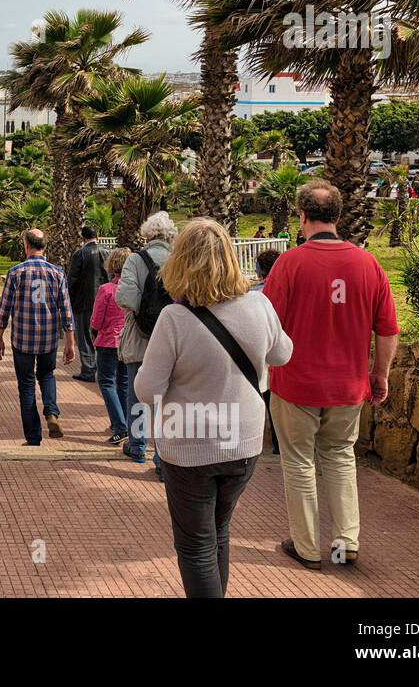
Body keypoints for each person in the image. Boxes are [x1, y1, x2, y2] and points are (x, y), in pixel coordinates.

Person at [134, 218, 294, 598]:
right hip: (243, 442)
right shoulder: (258, 304)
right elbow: (283, 354)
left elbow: (147, 389)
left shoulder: (174, 319)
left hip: (189, 444)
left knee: (195, 545)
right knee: (218, 532)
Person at [262, 180, 398, 571]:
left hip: (294, 384)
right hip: (348, 386)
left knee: (299, 463)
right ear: (337, 217)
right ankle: (345, 543)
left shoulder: (289, 264)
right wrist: (380, 374)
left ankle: (306, 548)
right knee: (340, 457)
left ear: (301, 217)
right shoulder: (368, 264)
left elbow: (267, 324)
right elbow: (387, 329)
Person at [0, 229, 76, 446]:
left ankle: (33, 437)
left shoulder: (15, 272)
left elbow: (4, 309)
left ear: (26, 246)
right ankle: (51, 412)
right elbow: (66, 310)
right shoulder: (57, 272)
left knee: (26, 384)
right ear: (44, 246)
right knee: (47, 375)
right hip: (48, 339)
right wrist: (70, 341)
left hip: (23, 339)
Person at [116, 211, 178, 471]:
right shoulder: (178, 260)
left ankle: (138, 445)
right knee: (169, 400)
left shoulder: (135, 260)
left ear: (147, 234)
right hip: (174, 339)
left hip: (141, 339)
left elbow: (126, 298)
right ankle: (163, 458)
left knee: (137, 395)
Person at [90, 247, 131, 445]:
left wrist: (94, 331)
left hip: (108, 341)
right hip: (127, 342)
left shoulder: (106, 289)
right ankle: (124, 422)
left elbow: (96, 320)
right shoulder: (133, 289)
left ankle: (120, 426)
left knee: (106, 382)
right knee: (123, 383)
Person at [251, 247, 283, 453]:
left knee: (262, 397)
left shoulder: (253, 294)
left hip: (260, 353)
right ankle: (279, 443)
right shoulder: (288, 289)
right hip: (281, 351)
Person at [67, 225, 108, 382]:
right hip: (103, 300)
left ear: (82, 237)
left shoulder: (80, 253)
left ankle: (88, 370)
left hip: (84, 302)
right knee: (101, 336)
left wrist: (67, 299)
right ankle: (100, 369)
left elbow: (72, 279)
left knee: (84, 336)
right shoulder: (106, 252)